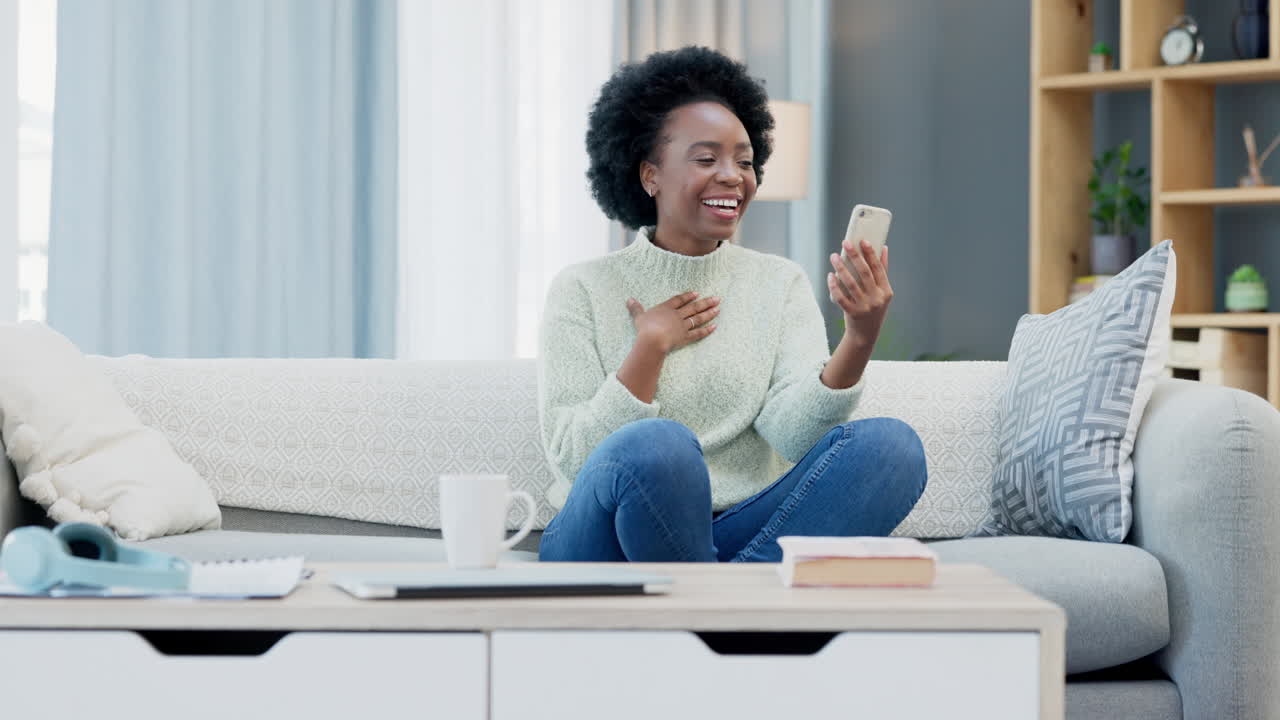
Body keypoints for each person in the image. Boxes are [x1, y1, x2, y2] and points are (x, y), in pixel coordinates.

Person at [536, 46, 926, 563]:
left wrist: (859, 338)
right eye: (706, 159)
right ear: (649, 174)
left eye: (744, 161)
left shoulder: (777, 282)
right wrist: (649, 348)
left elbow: (793, 435)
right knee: (660, 447)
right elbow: (573, 457)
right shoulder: (581, 289)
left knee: (891, 449)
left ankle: (718, 596)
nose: (732, 176)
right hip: (603, 537)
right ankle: (738, 604)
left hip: (739, 530)